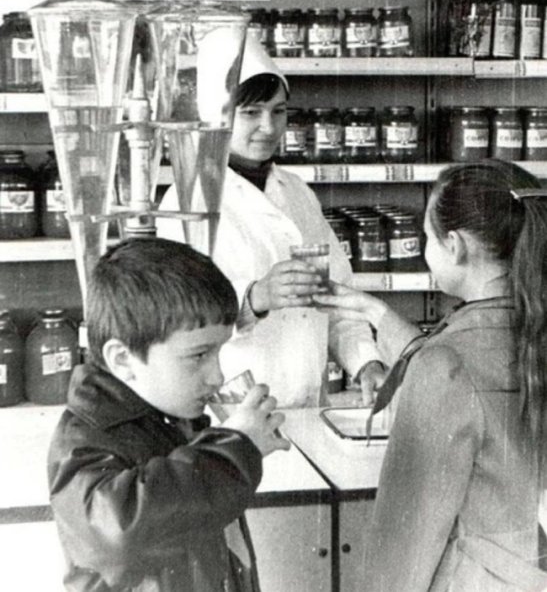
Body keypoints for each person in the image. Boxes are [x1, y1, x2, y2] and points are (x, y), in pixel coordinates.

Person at [314, 159, 547, 590]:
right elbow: (478, 371)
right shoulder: (530, 330)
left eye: (426, 236)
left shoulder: (446, 366)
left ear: (454, 246)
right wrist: (376, 313)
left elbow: (404, 542)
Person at [47, 237, 290, 592]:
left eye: (218, 352)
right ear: (122, 360)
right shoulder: (83, 441)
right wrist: (233, 449)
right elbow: (120, 533)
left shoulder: (172, 416)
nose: (217, 376)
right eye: (198, 355)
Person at [157, 35, 384, 408]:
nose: (268, 126)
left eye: (278, 111)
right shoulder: (187, 201)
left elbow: (338, 299)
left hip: (309, 405)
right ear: (218, 115)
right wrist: (254, 298)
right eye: (251, 112)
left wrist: (366, 363)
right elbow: (176, 319)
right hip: (230, 410)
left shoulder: (297, 193)